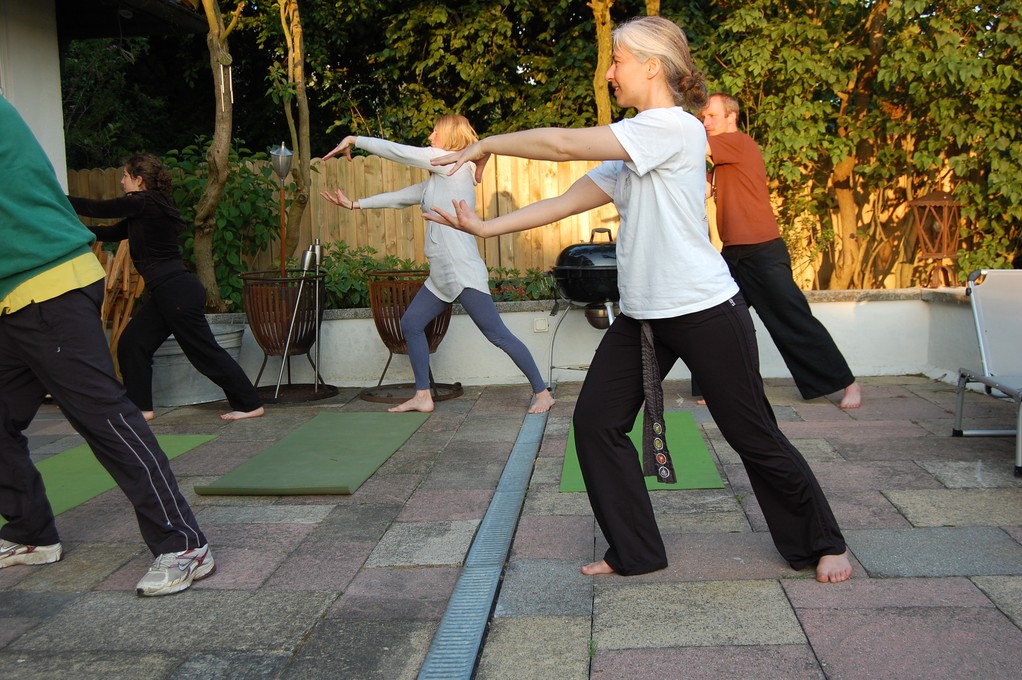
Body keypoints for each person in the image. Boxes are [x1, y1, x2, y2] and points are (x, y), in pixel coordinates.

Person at [425, 16, 852, 583]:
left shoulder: (672, 129)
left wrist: (487, 143)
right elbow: (569, 199)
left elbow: (559, 144)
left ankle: (824, 543)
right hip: (644, 317)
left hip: (705, 311)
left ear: (653, 66)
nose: (608, 73)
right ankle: (636, 549)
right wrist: (486, 228)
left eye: (617, 60)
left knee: (752, 433)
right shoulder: (634, 142)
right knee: (596, 423)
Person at [0, 94, 215, 596]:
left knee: (104, 418)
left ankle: (183, 544)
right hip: (11, 298)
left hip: (49, 282)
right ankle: (31, 533)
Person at [319, 115, 556, 415]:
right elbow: (401, 198)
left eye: (435, 132)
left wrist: (356, 140)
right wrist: (355, 204)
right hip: (441, 275)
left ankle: (542, 392)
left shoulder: (447, 164)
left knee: (497, 334)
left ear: (450, 138)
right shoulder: (442, 177)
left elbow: (401, 152)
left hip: (460, 270)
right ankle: (422, 395)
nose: (430, 137)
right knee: (411, 323)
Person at [68, 154, 264, 422]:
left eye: (125, 176)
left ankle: (250, 403)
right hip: (168, 293)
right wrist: (75, 233)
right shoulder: (148, 209)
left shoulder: (144, 201)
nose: (122, 181)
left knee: (204, 353)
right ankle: (141, 408)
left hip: (176, 292)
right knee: (132, 344)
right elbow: (111, 232)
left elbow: (101, 208)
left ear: (139, 180)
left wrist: (59, 201)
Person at [701, 92, 862, 409]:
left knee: (791, 319)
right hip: (733, 256)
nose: (705, 122)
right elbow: (697, 188)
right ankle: (724, 388)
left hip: (762, 252)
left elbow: (694, 146)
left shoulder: (738, 143)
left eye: (711, 116)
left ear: (731, 117)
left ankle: (847, 383)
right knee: (716, 320)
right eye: (703, 117)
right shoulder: (721, 164)